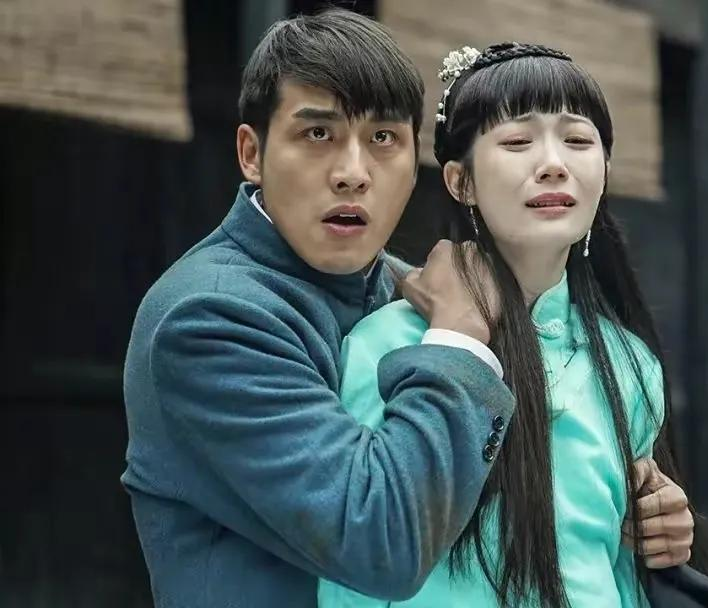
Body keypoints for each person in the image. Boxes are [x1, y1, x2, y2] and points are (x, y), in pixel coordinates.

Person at [121, 11, 516, 608]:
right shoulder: (208, 318)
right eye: (317, 134)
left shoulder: (410, 291)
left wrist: (634, 502)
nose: (353, 174)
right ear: (251, 153)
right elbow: (382, 539)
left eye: (383, 139)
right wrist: (459, 337)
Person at [318, 42, 694, 608]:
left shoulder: (629, 364)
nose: (553, 164)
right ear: (460, 182)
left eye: (578, 140)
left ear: (604, 172)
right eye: (518, 142)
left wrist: (660, 535)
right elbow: (354, 572)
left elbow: (618, 574)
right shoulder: (390, 345)